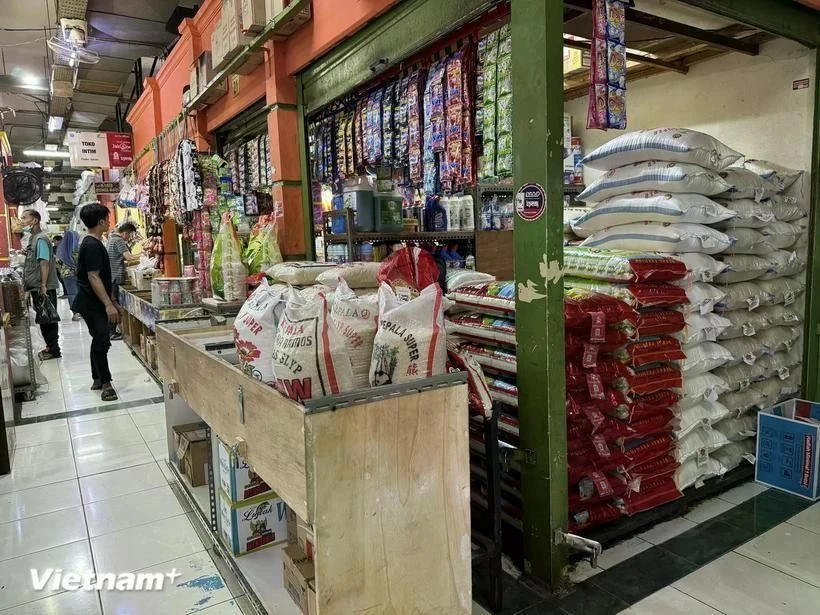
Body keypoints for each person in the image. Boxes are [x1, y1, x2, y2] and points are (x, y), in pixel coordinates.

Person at [73, 203, 119, 402]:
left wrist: (111, 300)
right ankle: (106, 384)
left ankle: (97, 378)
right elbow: (93, 276)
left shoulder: (92, 242)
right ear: (101, 221)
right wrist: (108, 304)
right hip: (92, 302)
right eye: (107, 219)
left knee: (98, 338)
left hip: (91, 300)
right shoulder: (92, 244)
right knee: (102, 340)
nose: (109, 222)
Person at [19, 209, 61, 360]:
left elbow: (44, 262)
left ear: (35, 220)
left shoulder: (41, 239)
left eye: (24, 218)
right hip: (37, 285)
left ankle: (54, 349)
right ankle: (50, 347)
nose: (22, 221)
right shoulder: (34, 239)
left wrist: (43, 285)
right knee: (44, 318)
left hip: (43, 286)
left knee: (48, 318)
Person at [107, 222, 139, 341]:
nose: (129, 238)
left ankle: (113, 329)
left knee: (114, 303)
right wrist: (143, 256)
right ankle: (111, 331)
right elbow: (129, 257)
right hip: (116, 277)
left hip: (112, 276)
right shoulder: (119, 241)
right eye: (130, 235)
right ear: (125, 233)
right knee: (115, 305)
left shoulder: (111, 239)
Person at [56, 230, 82, 321]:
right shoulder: (78, 248)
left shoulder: (61, 248)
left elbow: (58, 263)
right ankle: (82, 311)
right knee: (80, 292)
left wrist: (62, 271)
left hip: (66, 274)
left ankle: (75, 313)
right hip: (79, 274)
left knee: (71, 293)